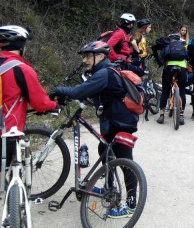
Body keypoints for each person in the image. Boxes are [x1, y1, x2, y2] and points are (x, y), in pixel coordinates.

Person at [52, 40, 139, 218]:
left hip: (121, 122)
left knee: (124, 160)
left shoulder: (105, 73)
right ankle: (109, 188)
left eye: (87, 56)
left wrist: (58, 90)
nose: (84, 60)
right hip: (113, 120)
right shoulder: (102, 72)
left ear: (100, 56)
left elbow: (79, 91)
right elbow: (93, 94)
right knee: (104, 150)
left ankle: (131, 204)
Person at [0, 26, 60, 228]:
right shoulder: (21, 69)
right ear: (21, 46)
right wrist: (53, 105)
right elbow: (40, 102)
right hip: (5, 134)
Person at [156, 33, 188, 125]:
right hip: (182, 68)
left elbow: (161, 58)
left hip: (169, 67)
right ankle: (181, 115)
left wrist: (161, 63)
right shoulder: (182, 46)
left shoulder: (167, 45)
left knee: (165, 90)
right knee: (182, 90)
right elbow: (187, 56)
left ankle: (161, 115)